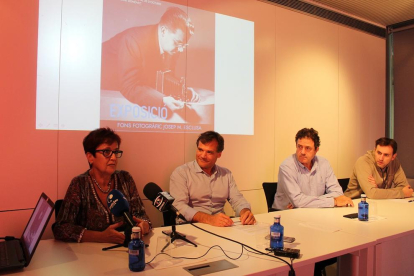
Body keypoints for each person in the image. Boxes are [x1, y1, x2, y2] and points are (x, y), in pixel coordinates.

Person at [53, 128, 151, 243]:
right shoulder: (79, 184)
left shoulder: (125, 179)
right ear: (90, 157)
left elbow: (142, 216)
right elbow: (60, 228)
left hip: (126, 250)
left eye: (115, 152)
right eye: (107, 152)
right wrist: (99, 237)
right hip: (91, 254)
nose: (113, 158)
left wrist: (144, 226)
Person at [101, 7, 198, 113]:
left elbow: (165, 77)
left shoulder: (172, 47)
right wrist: (162, 100)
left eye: (184, 45)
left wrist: (182, 91)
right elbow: (129, 86)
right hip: (100, 85)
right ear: (163, 31)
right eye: (178, 43)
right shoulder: (133, 40)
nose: (181, 49)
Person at [170, 131, 255, 227]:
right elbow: (179, 206)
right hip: (191, 227)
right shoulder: (181, 173)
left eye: (209, 152)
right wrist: (210, 219)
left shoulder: (226, 174)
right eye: (200, 150)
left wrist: (245, 212)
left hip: (220, 227)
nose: (202, 156)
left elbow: (237, 199)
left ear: (219, 154)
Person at [273, 128, 353, 210]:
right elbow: (298, 201)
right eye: (299, 147)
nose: (303, 152)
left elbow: (338, 193)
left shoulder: (323, 163)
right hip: (284, 215)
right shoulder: (287, 167)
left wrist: (305, 203)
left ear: (316, 150)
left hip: (312, 212)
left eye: (307, 148)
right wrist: (333, 201)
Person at [344, 137, 412, 199]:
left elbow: (405, 188)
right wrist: (401, 193)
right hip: (354, 203)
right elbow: (372, 194)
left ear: (393, 156)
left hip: (377, 203)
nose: (381, 158)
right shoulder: (363, 162)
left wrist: (378, 191)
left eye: (386, 155)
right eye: (379, 153)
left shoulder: (394, 162)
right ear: (375, 150)